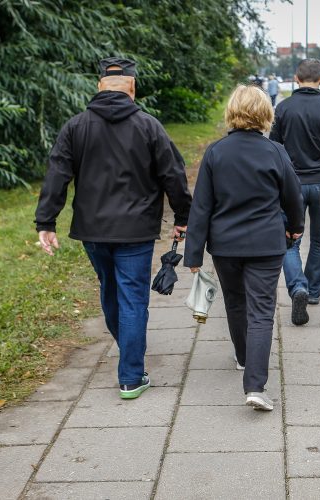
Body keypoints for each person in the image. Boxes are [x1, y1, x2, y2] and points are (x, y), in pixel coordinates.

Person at [34, 57, 192, 400]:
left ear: (99, 86)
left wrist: (46, 221)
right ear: (132, 88)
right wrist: (183, 216)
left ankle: (130, 355)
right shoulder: (149, 126)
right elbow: (173, 175)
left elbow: (57, 174)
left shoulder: (75, 127)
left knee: (110, 291)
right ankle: (132, 375)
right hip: (135, 231)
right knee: (133, 299)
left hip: (92, 231)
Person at [184, 85, 304, 411]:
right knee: (262, 311)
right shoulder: (275, 152)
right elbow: (294, 197)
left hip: (225, 245)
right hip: (267, 243)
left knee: (235, 303)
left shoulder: (216, 153)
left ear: (232, 112)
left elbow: (202, 207)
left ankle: (242, 356)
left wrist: (193, 253)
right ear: (265, 114)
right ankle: (255, 385)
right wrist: (296, 227)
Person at [270, 58, 320, 325]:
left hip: (292, 182)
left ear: (296, 78)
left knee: (289, 238)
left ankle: (298, 286)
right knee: (319, 238)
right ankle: (313, 291)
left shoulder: (283, 109)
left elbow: (274, 148)